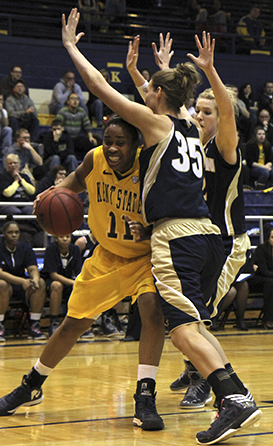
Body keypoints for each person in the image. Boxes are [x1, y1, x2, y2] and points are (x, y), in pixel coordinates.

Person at [124, 23, 260, 443]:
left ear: (221, 118)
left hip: (226, 241)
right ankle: (228, 392)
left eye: (206, 112)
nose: (197, 115)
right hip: (198, 240)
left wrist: (212, 73)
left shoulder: (226, 147)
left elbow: (208, 109)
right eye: (194, 110)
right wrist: (153, 73)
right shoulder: (187, 143)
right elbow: (164, 107)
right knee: (192, 324)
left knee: (189, 326)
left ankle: (219, 389)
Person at [0, 114, 165, 432]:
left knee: (152, 312)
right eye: (107, 140)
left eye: (120, 142)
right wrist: (51, 195)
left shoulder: (150, 163)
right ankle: (32, 384)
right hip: (106, 256)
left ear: (136, 144)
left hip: (145, 257)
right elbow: (75, 179)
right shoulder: (94, 158)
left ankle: (145, 395)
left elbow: (174, 209)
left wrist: (149, 227)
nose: (111, 147)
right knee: (73, 324)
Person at [0, 216, 47, 342]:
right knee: (1, 284)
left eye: (16, 232)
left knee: (40, 283)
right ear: (3, 233)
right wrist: (22, 281)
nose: (14, 235)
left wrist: (34, 278)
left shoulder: (25, 248)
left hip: (19, 283)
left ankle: (34, 325)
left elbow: (33, 268)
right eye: (10, 232)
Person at [41, 234, 82, 338]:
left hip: (68, 280)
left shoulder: (75, 249)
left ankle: (75, 323)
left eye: (67, 236)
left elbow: (79, 272)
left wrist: (78, 282)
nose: (64, 239)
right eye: (61, 237)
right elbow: (53, 275)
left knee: (80, 287)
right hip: (50, 281)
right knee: (57, 286)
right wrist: (73, 282)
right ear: (56, 238)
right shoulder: (51, 249)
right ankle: (54, 322)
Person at [56, 92, 98, 160]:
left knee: (93, 142)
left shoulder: (82, 111)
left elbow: (87, 125)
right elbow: (57, 124)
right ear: (68, 101)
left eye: (77, 99)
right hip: (66, 138)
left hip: (76, 138)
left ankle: (89, 161)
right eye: (72, 99)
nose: (75, 101)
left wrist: (90, 137)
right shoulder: (63, 111)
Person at [246, 223, 273, 329]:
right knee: (270, 283)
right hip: (259, 279)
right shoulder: (261, 249)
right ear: (268, 238)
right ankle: (268, 319)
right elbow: (263, 271)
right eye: (272, 237)